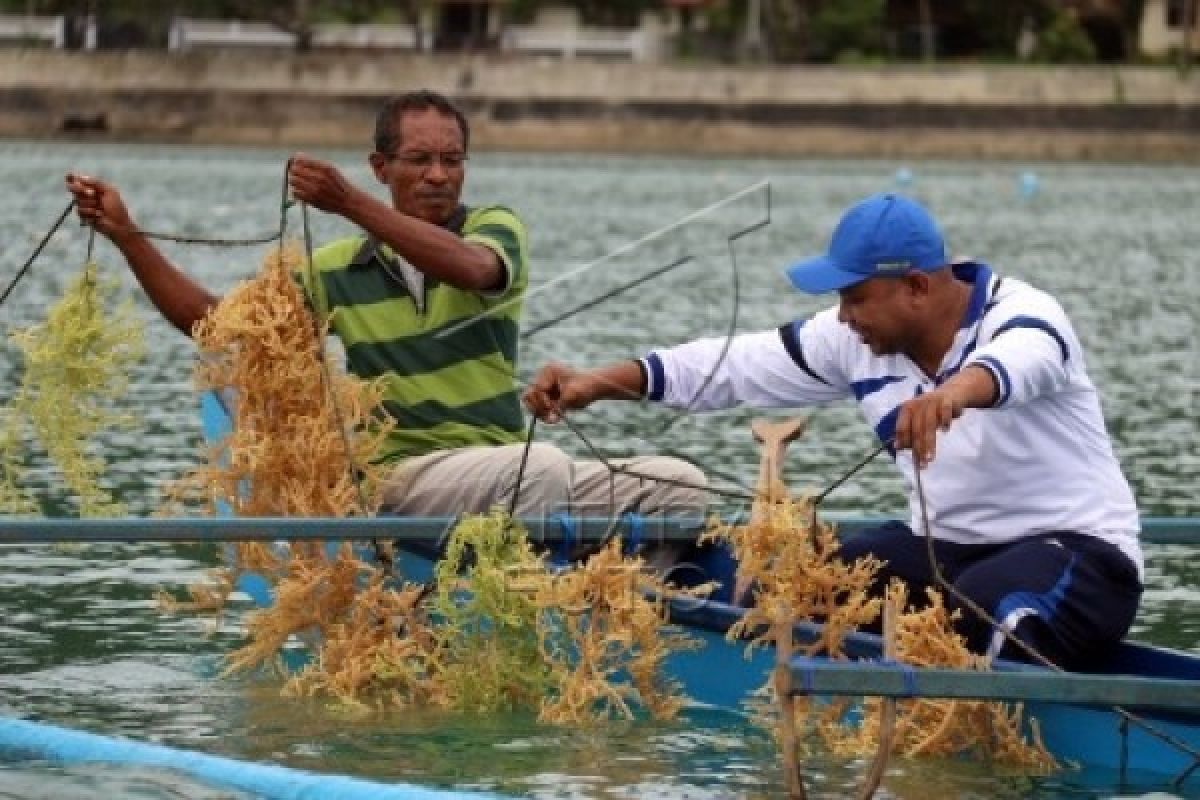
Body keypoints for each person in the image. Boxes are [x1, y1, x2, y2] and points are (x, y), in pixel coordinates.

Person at [524, 192, 1143, 669]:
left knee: (985, 606)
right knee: (806, 593)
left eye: (854, 298)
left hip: (1085, 556)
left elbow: (1021, 362)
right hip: (947, 548)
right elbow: (726, 368)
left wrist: (953, 394)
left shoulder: (1026, 314)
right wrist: (594, 384)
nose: (843, 318)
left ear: (918, 287)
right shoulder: (852, 340)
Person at [66, 89, 704, 530]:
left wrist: (348, 203)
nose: (438, 176)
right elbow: (218, 324)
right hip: (403, 476)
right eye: (419, 160)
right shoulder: (333, 269)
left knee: (678, 482)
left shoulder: (495, 228)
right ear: (380, 166)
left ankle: (625, 612)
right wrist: (128, 236)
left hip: (502, 466)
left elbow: (473, 268)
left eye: (451, 161)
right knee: (538, 469)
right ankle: (509, 606)